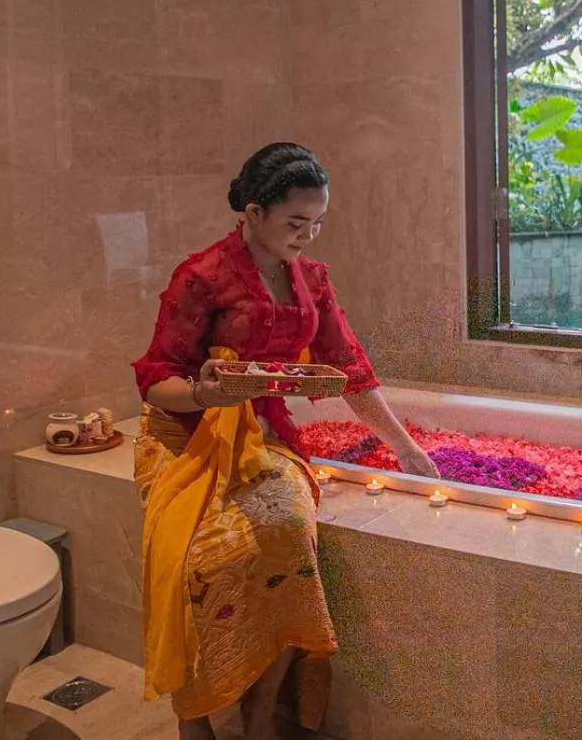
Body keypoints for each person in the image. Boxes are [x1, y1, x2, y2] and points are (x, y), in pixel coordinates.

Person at [131, 143, 439, 740]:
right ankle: (193, 716)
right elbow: (154, 379)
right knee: (195, 562)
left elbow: (348, 366)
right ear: (253, 212)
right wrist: (203, 397)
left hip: (265, 433)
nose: (308, 236)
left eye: (317, 223)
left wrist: (404, 448)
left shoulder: (312, 281)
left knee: (288, 539)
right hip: (187, 437)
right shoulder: (202, 277)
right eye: (295, 223)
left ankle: (260, 710)